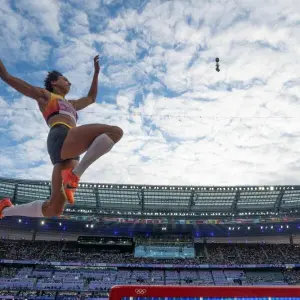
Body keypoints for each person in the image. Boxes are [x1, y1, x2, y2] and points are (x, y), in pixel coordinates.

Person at [0, 55, 123, 218]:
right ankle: (75, 176)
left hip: (70, 148)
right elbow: (8, 77)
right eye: (65, 79)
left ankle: (5, 209)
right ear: (54, 82)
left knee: (53, 210)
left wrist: (96, 74)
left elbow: (91, 98)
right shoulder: (46, 95)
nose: (69, 82)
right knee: (115, 132)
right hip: (61, 134)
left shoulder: (72, 104)